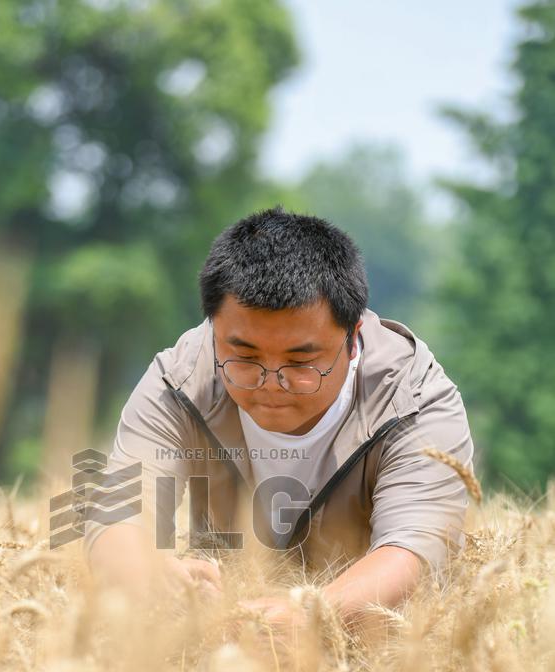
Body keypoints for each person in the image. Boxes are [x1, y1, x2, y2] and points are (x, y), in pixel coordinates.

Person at [83, 207, 474, 629]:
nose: (271, 383)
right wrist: (148, 576)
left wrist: (312, 615)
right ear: (214, 328)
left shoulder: (413, 400)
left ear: (353, 335)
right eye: (244, 358)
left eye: (301, 363)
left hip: (373, 647)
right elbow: (117, 514)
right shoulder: (180, 379)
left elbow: (414, 549)